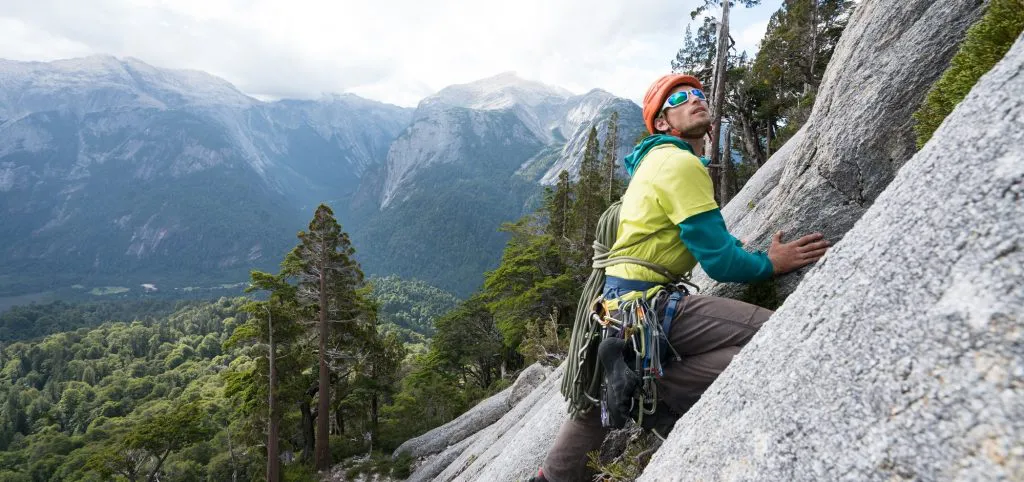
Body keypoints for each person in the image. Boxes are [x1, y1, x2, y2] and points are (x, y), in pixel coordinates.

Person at [530, 73, 830, 482]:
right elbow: (720, 263)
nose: (695, 99)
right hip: (647, 305)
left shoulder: (654, 161)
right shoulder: (679, 162)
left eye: (698, 94)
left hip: (615, 308)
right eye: (680, 99)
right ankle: (654, 387)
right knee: (776, 336)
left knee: (597, 400)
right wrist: (771, 264)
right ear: (662, 123)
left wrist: (737, 246)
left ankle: (552, 475)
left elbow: (696, 233)